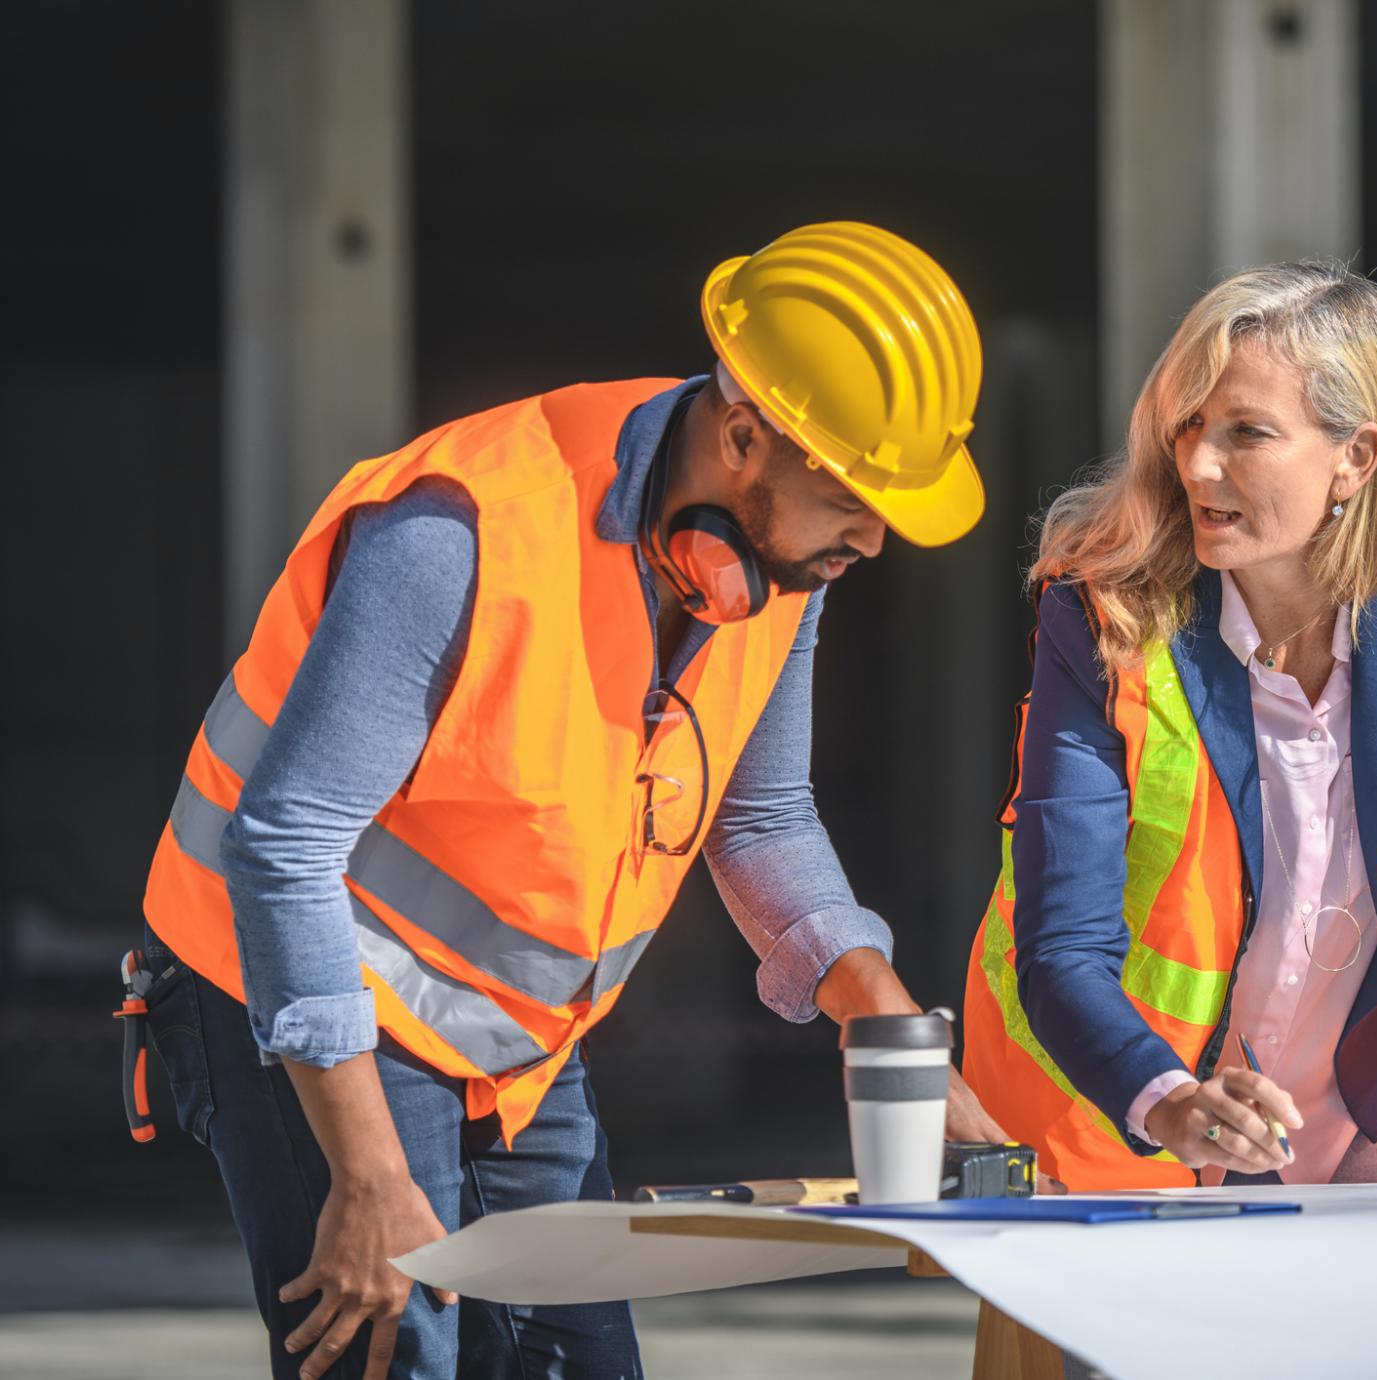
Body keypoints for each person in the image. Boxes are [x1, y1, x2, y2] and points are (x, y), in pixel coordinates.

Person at [137, 221, 1006, 1380]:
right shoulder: (460, 530)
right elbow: (284, 847)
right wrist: (367, 1176)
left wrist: (892, 1031)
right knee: (396, 1350)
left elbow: (762, 820)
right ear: (743, 435)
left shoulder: (783, 572)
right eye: (855, 490)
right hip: (298, 1004)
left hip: (512, 1050)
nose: (876, 533)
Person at [964, 261, 1377, 1194]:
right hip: (1110, 1107)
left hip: (1342, 1106)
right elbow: (1062, 944)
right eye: (1188, 426)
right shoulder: (1101, 608)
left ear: (1357, 457)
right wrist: (1168, 1099)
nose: (1197, 465)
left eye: (1246, 434)